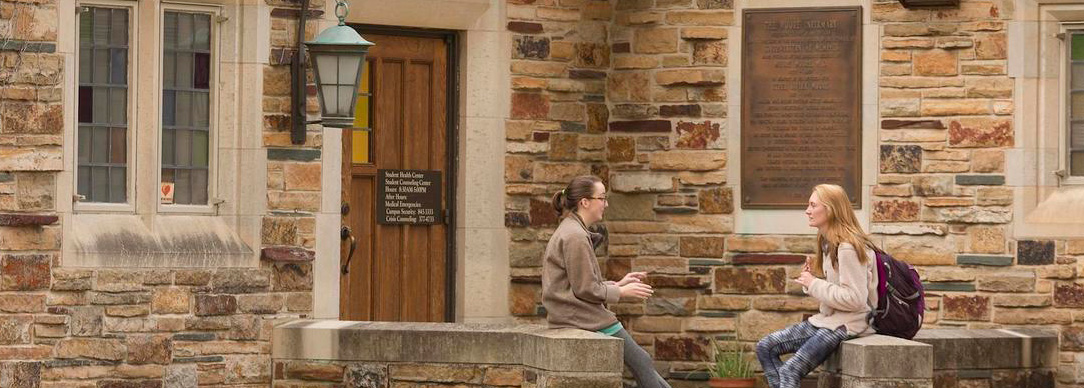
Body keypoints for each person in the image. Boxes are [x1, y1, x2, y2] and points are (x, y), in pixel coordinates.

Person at [541, 175, 672, 388]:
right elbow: (585, 289)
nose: (606, 203)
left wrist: (618, 284)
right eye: (602, 198)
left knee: (643, 364)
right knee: (641, 361)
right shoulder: (575, 237)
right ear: (585, 202)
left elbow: (582, 283)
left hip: (579, 313)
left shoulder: (573, 230)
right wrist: (622, 293)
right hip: (582, 317)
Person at [754, 184, 879, 388]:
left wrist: (814, 284)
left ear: (830, 210)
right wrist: (810, 280)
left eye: (813, 205)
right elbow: (834, 289)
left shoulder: (847, 247)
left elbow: (855, 299)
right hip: (828, 321)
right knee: (765, 347)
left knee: (789, 371)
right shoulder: (828, 242)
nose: (807, 210)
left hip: (847, 325)